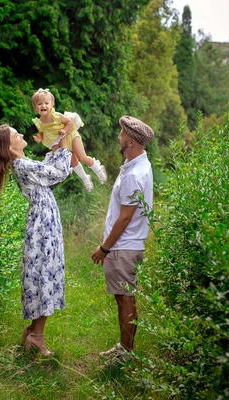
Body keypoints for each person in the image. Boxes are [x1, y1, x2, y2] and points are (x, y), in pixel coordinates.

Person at [0, 123, 72, 356]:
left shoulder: (24, 164)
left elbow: (47, 169)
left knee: (43, 273)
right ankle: (36, 337)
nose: (21, 135)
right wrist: (64, 140)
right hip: (43, 226)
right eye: (15, 135)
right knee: (44, 275)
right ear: (8, 146)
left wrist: (56, 144)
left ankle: (32, 331)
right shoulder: (22, 165)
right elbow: (59, 173)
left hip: (43, 223)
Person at [91, 116, 154, 364]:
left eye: (121, 134)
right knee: (127, 297)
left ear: (131, 141)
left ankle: (125, 355)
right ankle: (125, 347)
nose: (119, 137)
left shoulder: (132, 174)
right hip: (130, 245)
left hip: (123, 247)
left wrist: (105, 248)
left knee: (124, 299)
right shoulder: (138, 165)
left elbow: (125, 218)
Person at [31, 88, 107, 192]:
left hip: (70, 136)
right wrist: (39, 136)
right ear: (35, 107)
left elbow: (69, 123)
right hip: (60, 142)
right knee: (74, 162)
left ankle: (98, 169)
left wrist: (64, 130)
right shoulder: (39, 121)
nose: (43, 106)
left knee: (82, 157)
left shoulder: (56, 116)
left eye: (46, 103)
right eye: (39, 104)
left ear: (52, 104)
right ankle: (85, 178)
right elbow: (43, 131)